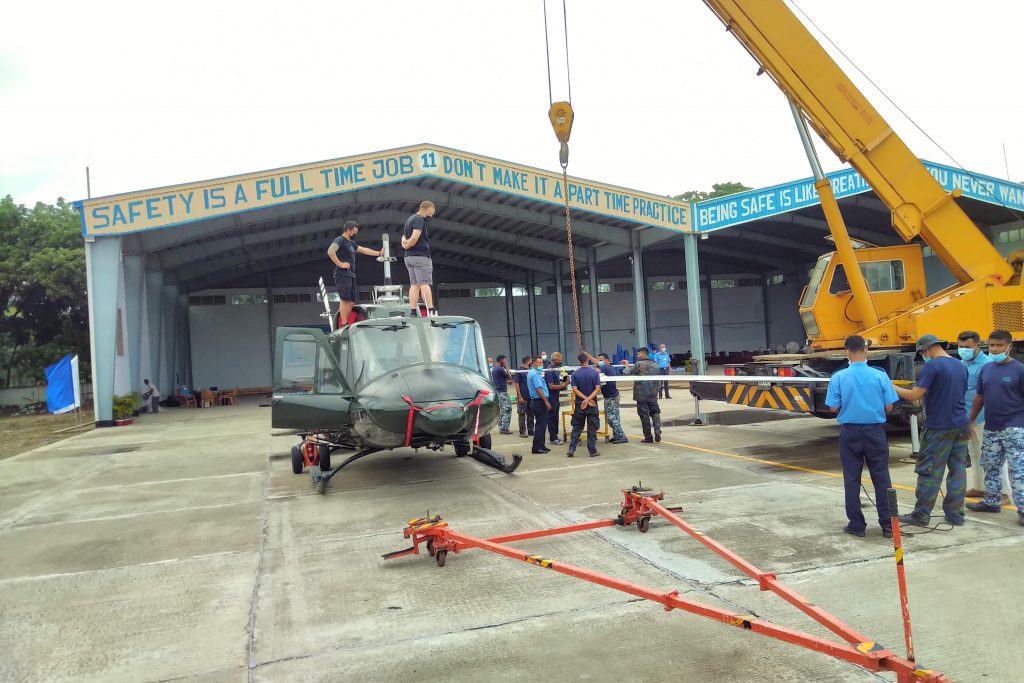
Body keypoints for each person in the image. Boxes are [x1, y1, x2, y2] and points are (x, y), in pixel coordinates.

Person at [893, 335, 970, 527]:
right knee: (958, 470)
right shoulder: (960, 365)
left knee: (929, 472)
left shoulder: (932, 366)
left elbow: (914, 395)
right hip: (960, 424)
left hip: (939, 427)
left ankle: (920, 515)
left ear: (926, 350)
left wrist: (891, 386)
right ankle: (956, 515)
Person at [825, 335, 898, 538]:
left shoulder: (838, 377)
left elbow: (833, 407)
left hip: (850, 432)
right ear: (866, 350)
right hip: (875, 432)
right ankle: (888, 525)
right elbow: (890, 406)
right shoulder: (880, 375)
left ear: (846, 352)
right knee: (882, 478)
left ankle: (857, 525)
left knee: (852, 479)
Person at [966, 330, 1024, 525]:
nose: (995, 349)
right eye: (991, 345)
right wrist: (971, 420)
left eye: (999, 345)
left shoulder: (1019, 370)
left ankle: (1022, 509)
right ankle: (992, 501)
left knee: (1017, 470)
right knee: (990, 465)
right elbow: (979, 398)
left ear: (1009, 346)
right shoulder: (987, 369)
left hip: (1014, 428)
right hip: (992, 427)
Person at [958, 331, 1011, 504]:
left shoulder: (987, 365)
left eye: (967, 347)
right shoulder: (962, 363)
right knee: (974, 453)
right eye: (960, 347)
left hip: (985, 416)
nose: (963, 350)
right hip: (967, 415)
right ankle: (980, 487)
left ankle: (1003, 493)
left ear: (977, 346)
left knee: (992, 455)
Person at [327, 221, 384, 326]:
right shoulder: (340, 240)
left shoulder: (351, 243)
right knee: (344, 299)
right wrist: (340, 264)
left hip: (351, 274)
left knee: (352, 301)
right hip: (343, 274)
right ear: (348, 230)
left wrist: (379, 253)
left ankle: (345, 321)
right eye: (354, 231)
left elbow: (364, 250)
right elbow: (330, 251)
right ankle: (344, 323)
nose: (355, 233)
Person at [401, 200, 437, 317]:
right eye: (430, 213)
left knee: (414, 285)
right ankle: (430, 309)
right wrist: (410, 244)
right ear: (425, 209)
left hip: (408, 257)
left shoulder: (409, 220)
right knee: (424, 283)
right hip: (421, 256)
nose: (431, 216)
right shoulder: (419, 219)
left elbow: (403, 238)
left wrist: (405, 245)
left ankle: (412, 311)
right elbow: (415, 236)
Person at [584, 352, 628, 444]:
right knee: (615, 416)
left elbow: (595, 369)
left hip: (611, 396)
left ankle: (621, 436)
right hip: (612, 395)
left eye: (601, 360)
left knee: (611, 418)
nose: (599, 362)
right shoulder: (608, 367)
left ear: (606, 360)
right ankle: (617, 435)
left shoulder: (606, 367)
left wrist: (586, 359)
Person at [566, 353, 602, 458]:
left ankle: (572, 448)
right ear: (587, 360)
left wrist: (584, 399)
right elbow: (597, 389)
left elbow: (575, 389)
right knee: (592, 428)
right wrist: (588, 399)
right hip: (592, 404)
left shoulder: (575, 374)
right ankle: (592, 450)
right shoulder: (594, 373)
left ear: (579, 361)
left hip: (580, 404)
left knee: (577, 427)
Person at [623, 347, 661, 443]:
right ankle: (657, 429)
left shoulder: (639, 364)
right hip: (653, 394)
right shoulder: (655, 365)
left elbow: (627, 373)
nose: (637, 356)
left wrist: (626, 365)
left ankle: (648, 437)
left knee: (644, 416)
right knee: (655, 412)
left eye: (639, 354)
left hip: (641, 395)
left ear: (644, 354)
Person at [527, 355, 551, 454]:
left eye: (542, 363)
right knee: (540, 425)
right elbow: (538, 389)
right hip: (539, 401)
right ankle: (536, 447)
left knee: (542, 424)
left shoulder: (534, 372)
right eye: (539, 363)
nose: (541, 364)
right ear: (533, 363)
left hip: (538, 401)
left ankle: (541, 445)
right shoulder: (535, 374)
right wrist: (546, 401)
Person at [544, 352, 569, 445]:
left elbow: (562, 378)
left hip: (556, 396)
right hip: (551, 396)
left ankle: (555, 435)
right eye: (559, 360)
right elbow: (551, 386)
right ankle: (553, 437)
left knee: (555, 416)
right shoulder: (550, 370)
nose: (561, 361)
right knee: (551, 417)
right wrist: (563, 385)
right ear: (554, 360)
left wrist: (566, 379)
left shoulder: (558, 369)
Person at [491, 355, 514, 435]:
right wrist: (507, 367)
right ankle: (504, 428)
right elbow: (510, 377)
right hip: (502, 392)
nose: (505, 362)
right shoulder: (500, 369)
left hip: (498, 391)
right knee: (507, 409)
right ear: (502, 361)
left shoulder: (495, 369)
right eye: (504, 360)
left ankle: (501, 427)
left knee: (501, 410)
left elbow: (499, 380)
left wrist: (506, 382)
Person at [515, 355, 535, 438]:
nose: (532, 362)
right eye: (531, 360)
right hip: (523, 396)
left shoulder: (530, 371)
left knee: (531, 413)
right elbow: (516, 384)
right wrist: (519, 396)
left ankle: (530, 430)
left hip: (531, 396)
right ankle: (522, 431)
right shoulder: (519, 371)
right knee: (522, 413)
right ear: (528, 361)